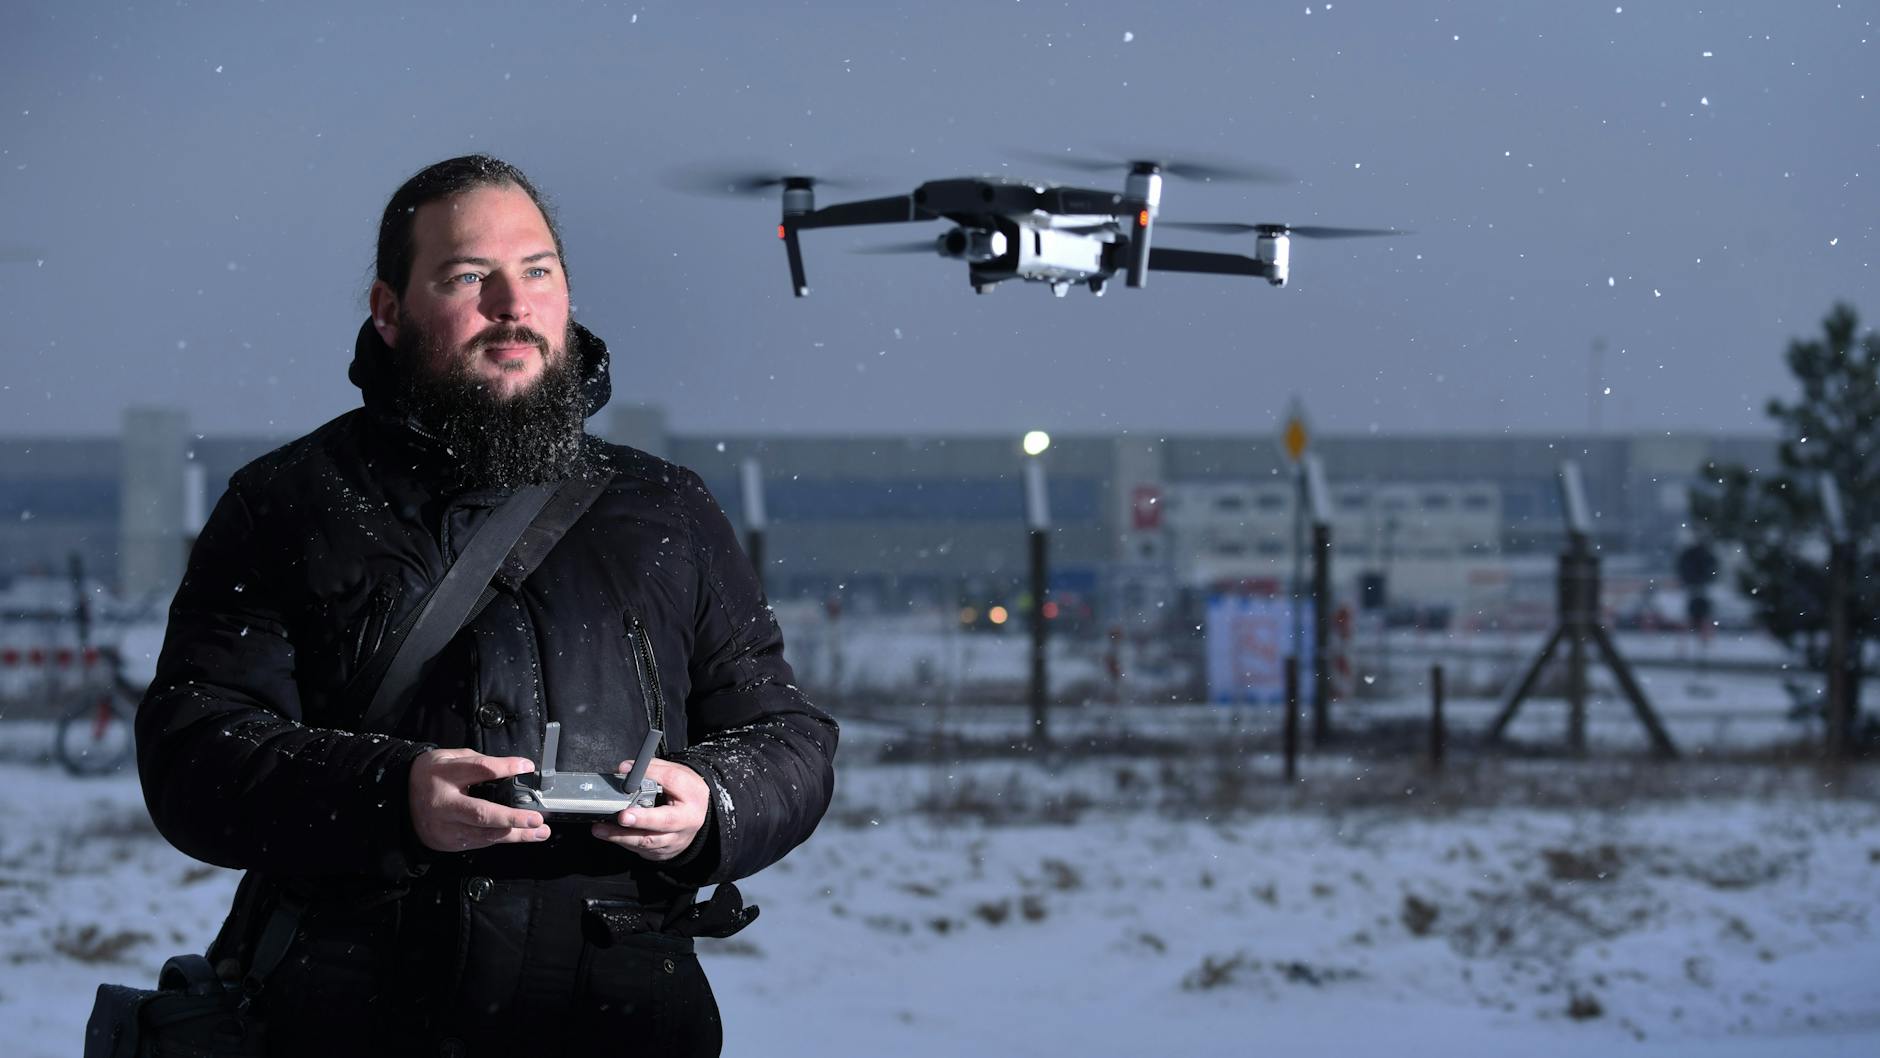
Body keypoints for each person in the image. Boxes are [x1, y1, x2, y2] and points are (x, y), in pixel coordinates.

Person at [135, 154, 838, 1058]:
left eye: (537, 271)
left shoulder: (666, 509)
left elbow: (786, 737)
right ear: (390, 312)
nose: (513, 303)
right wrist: (395, 798)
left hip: (619, 1023)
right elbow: (194, 753)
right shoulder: (285, 504)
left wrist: (712, 805)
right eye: (469, 276)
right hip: (346, 1023)